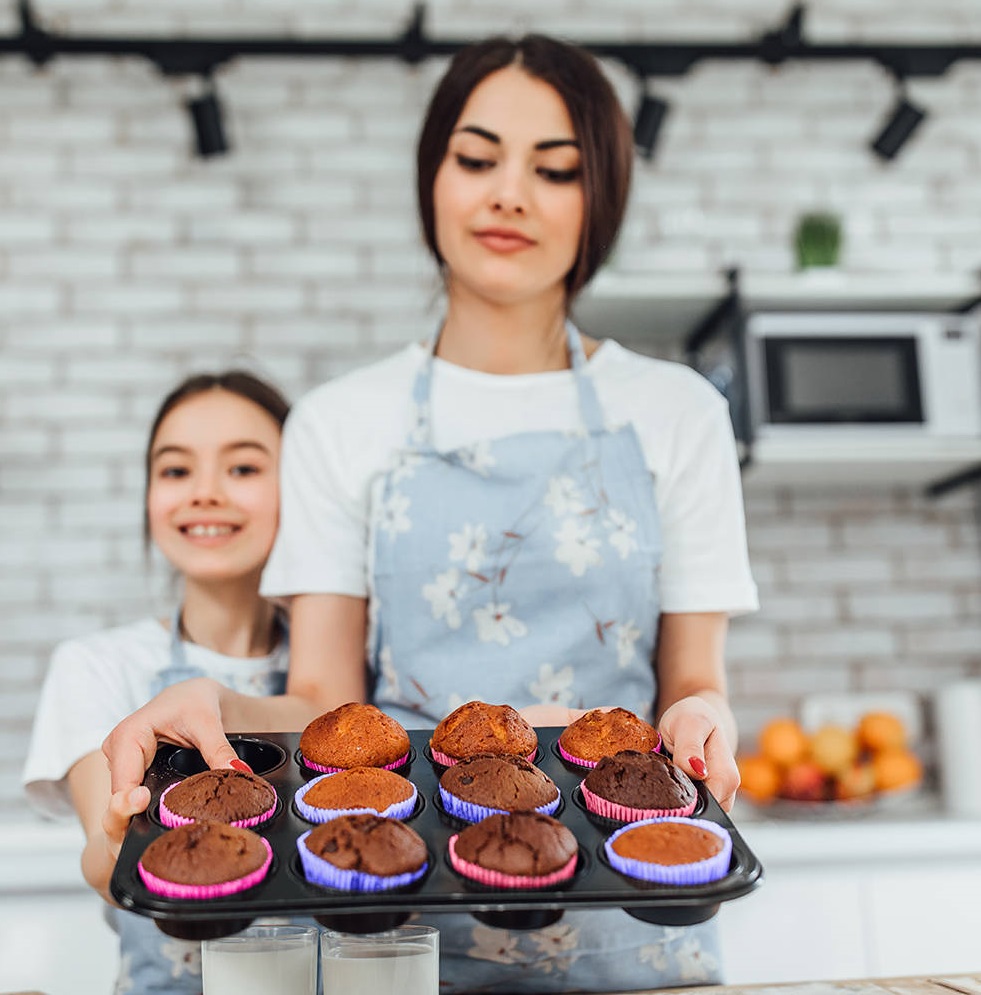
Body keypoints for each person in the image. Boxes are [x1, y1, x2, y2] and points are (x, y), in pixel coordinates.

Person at [102, 35, 758, 992]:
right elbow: (322, 700)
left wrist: (701, 714)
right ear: (432, 179)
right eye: (477, 157)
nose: (509, 194)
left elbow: (692, 681)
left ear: (600, 198)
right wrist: (222, 711)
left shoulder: (677, 412)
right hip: (397, 919)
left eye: (557, 168)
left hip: (634, 912)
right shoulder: (340, 421)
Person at [22, 370, 291, 995]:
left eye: (243, 469)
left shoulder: (341, 683)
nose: (204, 493)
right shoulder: (96, 666)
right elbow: (100, 850)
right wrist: (114, 847)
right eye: (175, 471)